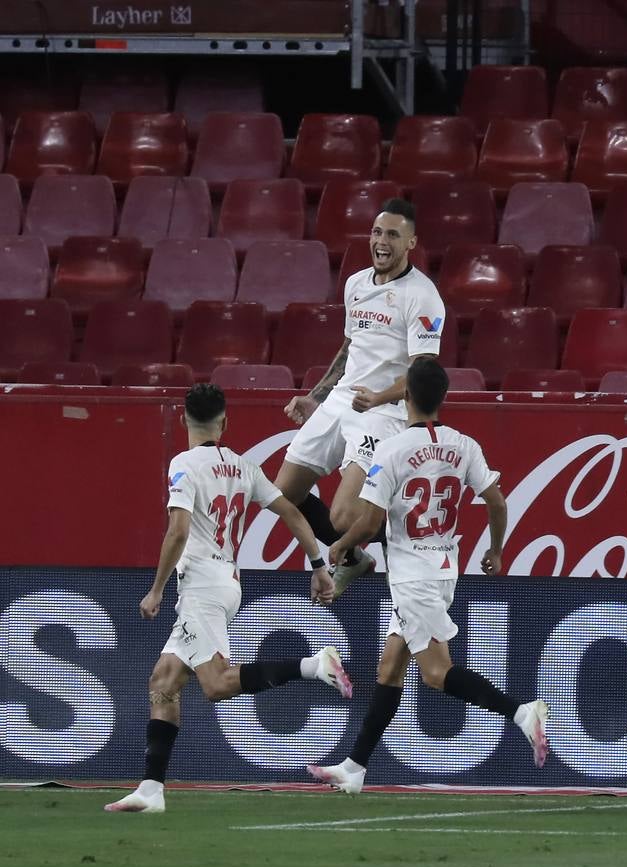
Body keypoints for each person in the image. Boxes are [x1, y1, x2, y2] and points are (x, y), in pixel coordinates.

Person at [105, 383, 351, 814]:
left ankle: (314, 666)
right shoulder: (243, 467)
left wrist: (157, 588)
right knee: (164, 681)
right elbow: (292, 512)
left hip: (200, 587)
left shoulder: (183, 464)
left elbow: (178, 531)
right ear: (225, 421)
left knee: (216, 684)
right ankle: (151, 789)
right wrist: (318, 565)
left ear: (183, 419)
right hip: (226, 583)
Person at [307, 358, 549, 793]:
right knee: (390, 667)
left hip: (413, 577)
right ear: (442, 397)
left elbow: (367, 520)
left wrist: (341, 546)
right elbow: (496, 502)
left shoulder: (393, 449)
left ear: (405, 396)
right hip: (443, 568)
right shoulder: (465, 445)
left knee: (436, 674)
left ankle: (520, 712)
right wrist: (494, 550)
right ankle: (355, 767)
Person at [274, 197, 446, 598]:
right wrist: (316, 397)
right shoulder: (355, 284)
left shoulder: (423, 295)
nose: (381, 241)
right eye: (376, 232)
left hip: (383, 412)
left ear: (411, 243)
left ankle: (407, 545)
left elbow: (425, 372)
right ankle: (355, 560)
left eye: (392, 235)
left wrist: (379, 397)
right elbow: (351, 346)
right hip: (341, 400)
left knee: (345, 514)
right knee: (282, 495)